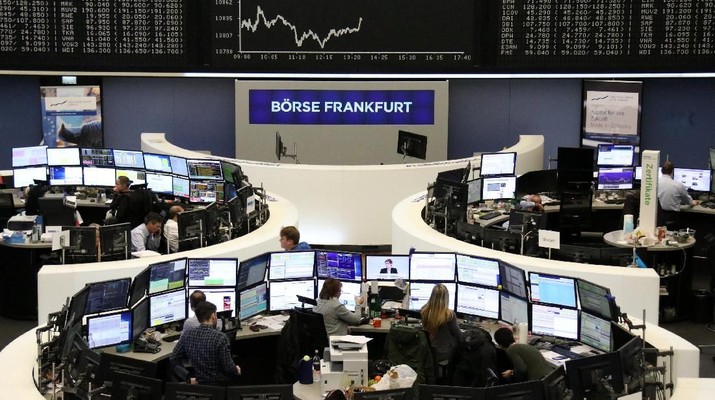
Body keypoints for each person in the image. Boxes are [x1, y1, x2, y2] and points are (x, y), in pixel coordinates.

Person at [171, 301, 241, 386]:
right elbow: (228, 367)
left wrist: (188, 378)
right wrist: (236, 369)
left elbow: (174, 358)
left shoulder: (187, 335)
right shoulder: (220, 337)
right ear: (213, 316)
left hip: (200, 385)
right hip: (220, 386)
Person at [420, 283, 463, 366]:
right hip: (444, 353)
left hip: (429, 351)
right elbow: (459, 336)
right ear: (446, 298)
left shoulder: (424, 311)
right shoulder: (449, 315)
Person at [657, 161, 700, 229]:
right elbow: (688, 201)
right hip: (671, 218)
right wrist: (693, 202)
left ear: (662, 171)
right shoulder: (678, 185)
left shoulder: (655, 183)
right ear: (672, 171)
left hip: (657, 217)